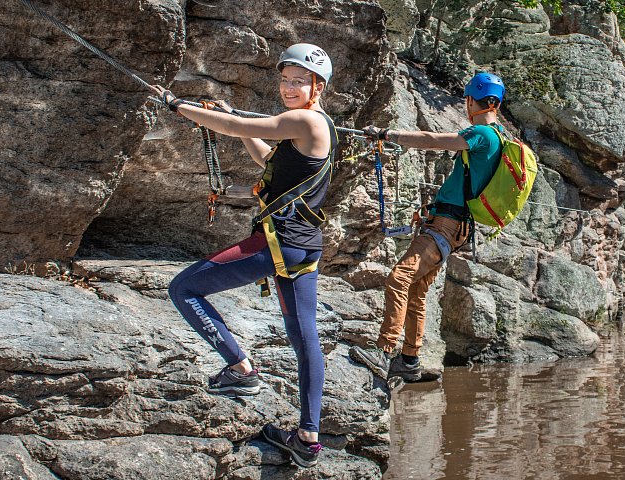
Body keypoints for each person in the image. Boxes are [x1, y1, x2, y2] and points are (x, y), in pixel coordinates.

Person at [157, 43, 336, 468]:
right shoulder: (312, 126)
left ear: (318, 86)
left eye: (300, 81)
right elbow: (264, 154)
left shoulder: (304, 119)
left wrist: (178, 105)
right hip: (303, 247)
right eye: (285, 79)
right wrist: (227, 114)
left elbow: (239, 129)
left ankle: (240, 370)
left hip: (277, 244)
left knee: (184, 289)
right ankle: (307, 437)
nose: (290, 88)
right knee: (304, 335)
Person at [349, 72, 507, 383]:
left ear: (472, 100)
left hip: (447, 224)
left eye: (467, 101)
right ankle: (409, 359)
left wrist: (388, 134)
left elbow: (433, 141)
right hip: (451, 222)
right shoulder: (501, 136)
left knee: (399, 277)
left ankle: (384, 350)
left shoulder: (483, 134)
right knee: (418, 289)